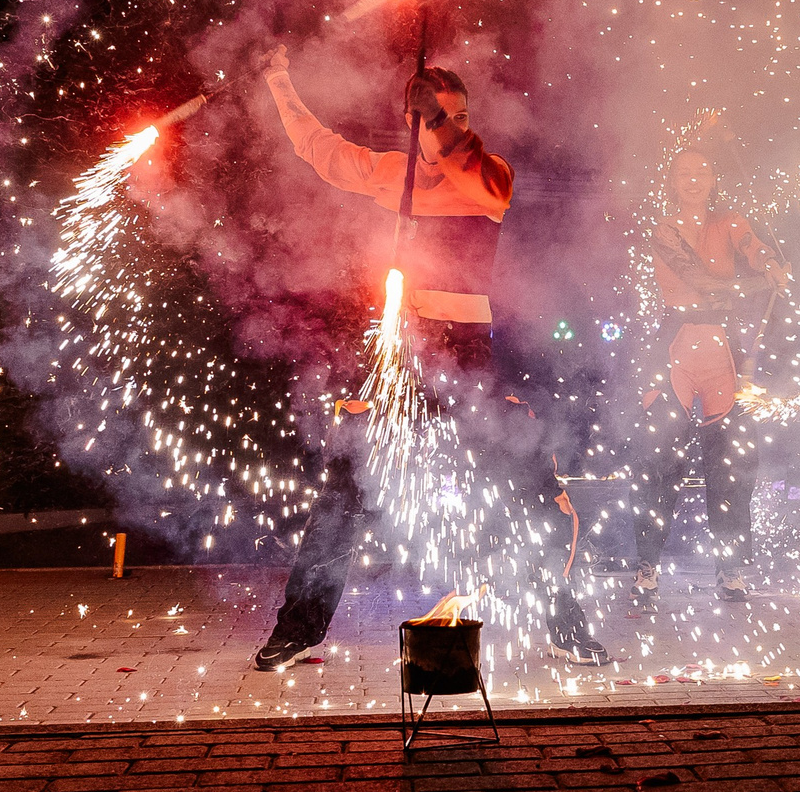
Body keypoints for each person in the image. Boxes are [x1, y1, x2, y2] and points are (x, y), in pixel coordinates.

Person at [250, 46, 610, 668]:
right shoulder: (395, 174)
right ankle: (299, 628)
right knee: (345, 495)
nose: (455, 124)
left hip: (469, 361)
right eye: (437, 114)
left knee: (527, 493)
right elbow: (319, 147)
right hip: (403, 357)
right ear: (410, 120)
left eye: (462, 114)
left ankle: (562, 620)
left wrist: (437, 123)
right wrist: (279, 80)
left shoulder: (489, 173)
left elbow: (464, 161)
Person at [631, 143, 788, 606]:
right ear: (673, 182)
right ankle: (647, 566)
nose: (694, 179)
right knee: (661, 463)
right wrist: (760, 281)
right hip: (676, 346)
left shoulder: (731, 221)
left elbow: (752, 246)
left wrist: (771, 262)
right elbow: (701, 281)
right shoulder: (663, 230)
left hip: (722, 350)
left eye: (703, 170)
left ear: (715, 178)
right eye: (684, 173)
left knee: (733, 466)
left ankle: (731, 568)